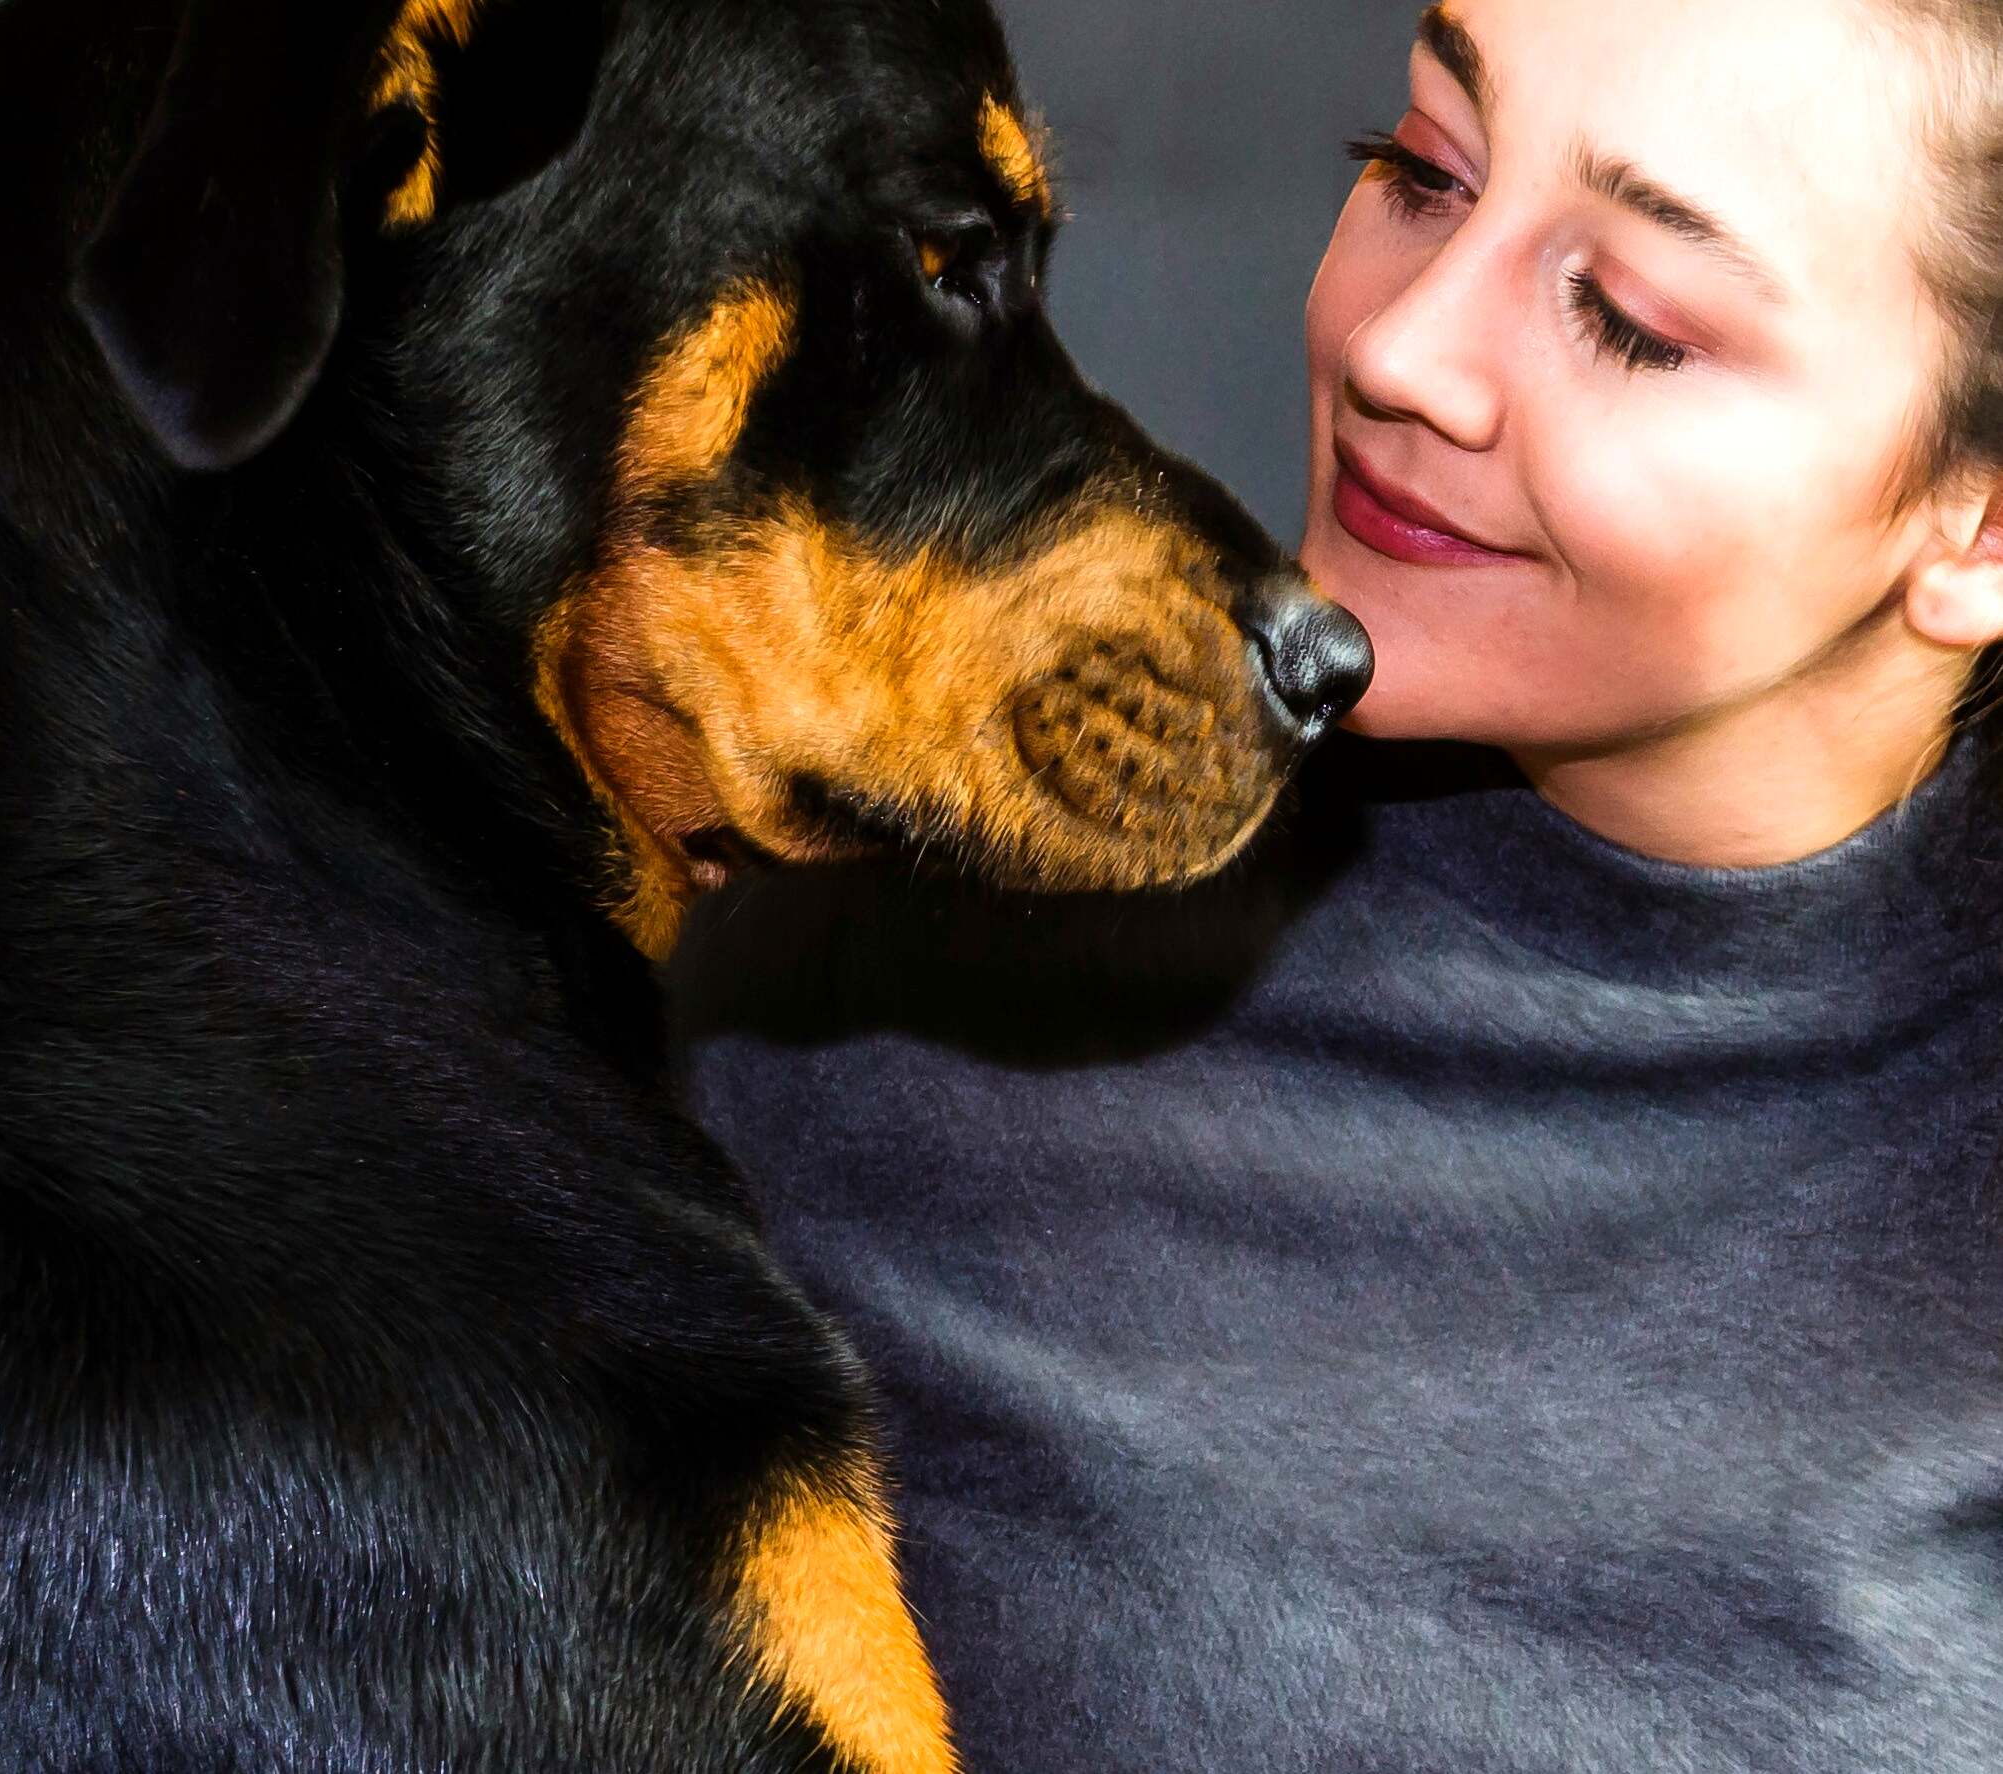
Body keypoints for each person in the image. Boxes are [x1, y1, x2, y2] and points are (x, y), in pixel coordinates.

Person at [670, 0, 2003, 1767]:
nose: (1399, 346)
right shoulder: (886, 913)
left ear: (1974, 523)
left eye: (1628, 318)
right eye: (1418, 169)